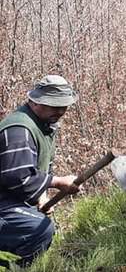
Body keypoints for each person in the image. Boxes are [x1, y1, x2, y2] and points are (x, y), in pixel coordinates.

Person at [0, 76, 81, 266]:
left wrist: (41, 198)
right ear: (36, 102)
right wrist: (58, 182)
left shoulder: (42, 126)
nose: (61, 111)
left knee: (41, 224)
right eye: (55, 106)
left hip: (9, 202)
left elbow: (36, 170)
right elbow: (18, 178)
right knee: (38, 229)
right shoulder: (19, 130)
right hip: (2, 206)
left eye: (63, 106)